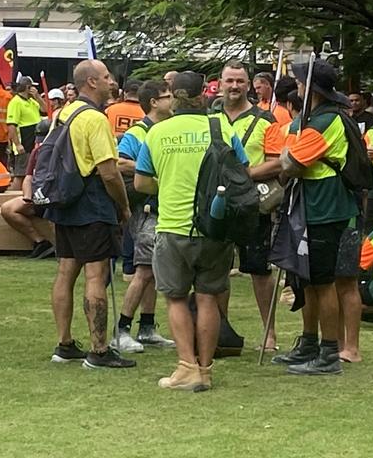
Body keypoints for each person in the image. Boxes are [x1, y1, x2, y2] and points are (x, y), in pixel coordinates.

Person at [135, 71, 249, 391]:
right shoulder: (222, 127)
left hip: (173, 226)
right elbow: (243, 171)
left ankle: (186, 367)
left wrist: (167, 183)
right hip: (214, 225)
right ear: (204, 94)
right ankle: (206, 369)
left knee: (175, 298)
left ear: (172, 94)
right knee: (209, 297)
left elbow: (141, 182)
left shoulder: (157, 132)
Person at [273, 60, 359, 375]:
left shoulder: (327, 121)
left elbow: (292, 162)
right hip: (309, 207)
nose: (296, 86)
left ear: (311, 88)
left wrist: (259, 169)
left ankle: (328, 354)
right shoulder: (312, 120)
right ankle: (309, 343)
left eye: (299, 81)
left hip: (327, 209)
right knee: (306, 280)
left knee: (324, 282)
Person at [46, 59, 133, 370]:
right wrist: (123, 206)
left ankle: (64, 343)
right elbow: (108, 172)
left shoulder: (63, 112)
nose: (112, 82)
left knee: (65, 272)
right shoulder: (95, 119)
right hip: (91, 202)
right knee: (96, 276)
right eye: (107, 76)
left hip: (64, 199)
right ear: (92, 82)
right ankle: (98, 350)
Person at [212, 60, 283, 352]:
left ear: (249, 84)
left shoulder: (266, 119)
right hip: (217, 202)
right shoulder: (209, 118)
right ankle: (219, 330)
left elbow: (278, 160)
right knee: (216, 268)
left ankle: (269, 333)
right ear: (220, 82)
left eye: (240, 81)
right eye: (229, 81)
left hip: (253, 203)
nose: (234, 87)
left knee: (259, 269)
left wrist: (245, 175)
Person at [114, 80, 175, 353]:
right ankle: (122, 329)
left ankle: (147, 327)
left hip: (160, 208)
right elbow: (119, 161)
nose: (172, 100)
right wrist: (154, 170)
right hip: (146, 210)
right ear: (154, 102)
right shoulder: (138, 132)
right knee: (145, 270)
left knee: (151, 271)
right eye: (168, 96)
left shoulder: (165, 129)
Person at [0, 120, 56, 259]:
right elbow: (28, 177)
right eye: (39, 140)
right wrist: (28, 196)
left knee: (56, 211)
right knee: (8, 208)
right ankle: (41, 242)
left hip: (56, 198)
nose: (41, 144)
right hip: (38, 197)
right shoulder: (36, 152)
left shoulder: (63, 152)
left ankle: (64, 251)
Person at [7, 76, 46, 190]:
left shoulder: (31, 101)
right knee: (20, 174)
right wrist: (18, 144)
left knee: (28, 173)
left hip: (33, 141)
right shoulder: (16, 102)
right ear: (28, 87)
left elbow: (45, 109)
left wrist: (38, 97)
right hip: (24, 142)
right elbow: (11, 125)